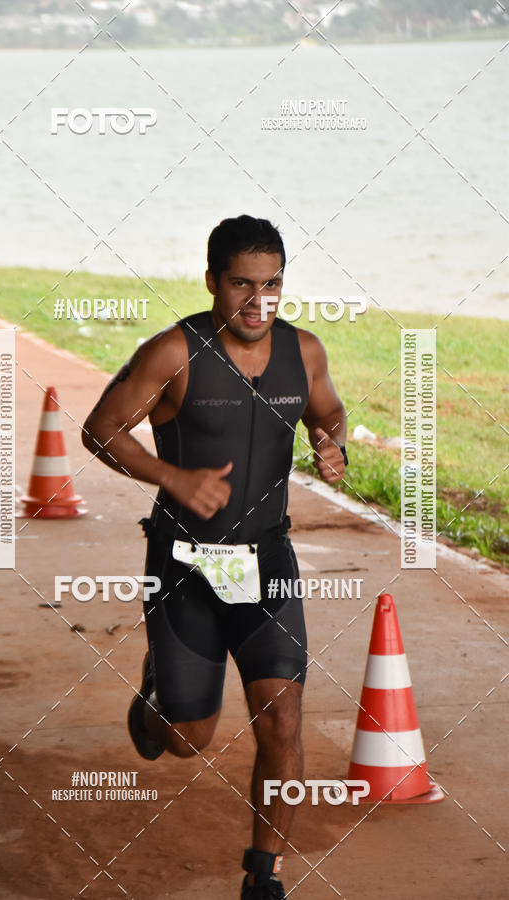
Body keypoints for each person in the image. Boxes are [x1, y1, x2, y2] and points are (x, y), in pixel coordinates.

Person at [82, 214, 347, 899]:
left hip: (267, 561)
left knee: (282, 718)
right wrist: (172, 478)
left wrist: (331, 442)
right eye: (241, 285)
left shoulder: (304, 351)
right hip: (185, 566)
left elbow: (328, 411)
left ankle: (264, 874)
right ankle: (156, 700)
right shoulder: (174, 352)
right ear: (211, 282)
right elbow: (101, 429)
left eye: (272, 284)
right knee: (186, 738)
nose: (258, 301)